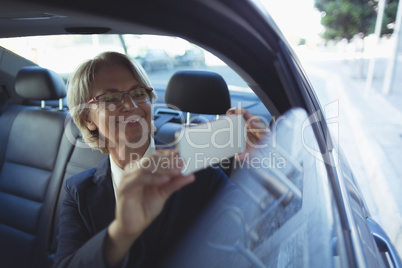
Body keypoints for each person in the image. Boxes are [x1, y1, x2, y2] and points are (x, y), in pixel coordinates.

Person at [53, 51, 267, 267]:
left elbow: (257, 229)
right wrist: (121, 233)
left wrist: (261, 164)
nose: (131, 105)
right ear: (87, 119)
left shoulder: (197, 167)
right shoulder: (78, 191)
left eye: (138, 93)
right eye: (110, 99)